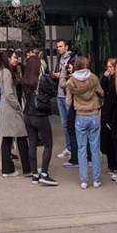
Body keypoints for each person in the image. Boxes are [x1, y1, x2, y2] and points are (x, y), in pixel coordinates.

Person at [66, 56, 104, 189]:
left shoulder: (71, 81)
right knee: (95, 148)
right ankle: (96, 179)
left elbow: (68, 101)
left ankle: (84, 180)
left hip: (80, 116)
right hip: (93, 114)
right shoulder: (93, 78)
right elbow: (100, 92)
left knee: (81, 149)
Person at [21, 51, 58, 185]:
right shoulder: (42, 79)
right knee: (48, 143)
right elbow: (53, 92)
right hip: (40, 114)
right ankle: (44, 173)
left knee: (32, 144)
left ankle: (34, 174)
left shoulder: (25, 79)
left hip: (27, 115)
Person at [0, 49, 34, 177]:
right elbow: (8, 93)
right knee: (21, 136)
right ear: (8, 58)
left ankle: (8, 169)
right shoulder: (7, 72)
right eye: (14, 57)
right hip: (10, 108)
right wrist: (17, 105)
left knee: (8, 137)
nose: (16, 59)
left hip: (6, 108)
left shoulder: (3, 71)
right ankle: (27, 168)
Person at [51, 39, 78, 167]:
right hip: (60, 95)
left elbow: (75, 75)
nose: (59, 48)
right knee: (64, 124)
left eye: (61, 46)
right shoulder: (59, 59)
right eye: (57, 46)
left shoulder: (73, 58)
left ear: (66, 47)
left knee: (71, 123)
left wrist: (61, 75)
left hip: (67, 94)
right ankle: (69, 147)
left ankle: (75, 148)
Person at [100, 57, 117, 184]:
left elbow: (111, 100)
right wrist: (104, 77)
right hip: (109, 113)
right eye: (107, 67)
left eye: (110, 67)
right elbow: (102, 90)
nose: (108, 69)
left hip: (115, 115)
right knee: (108, 139)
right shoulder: (109, 79)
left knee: (116, 141)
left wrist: (107, 117)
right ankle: (113, 165)